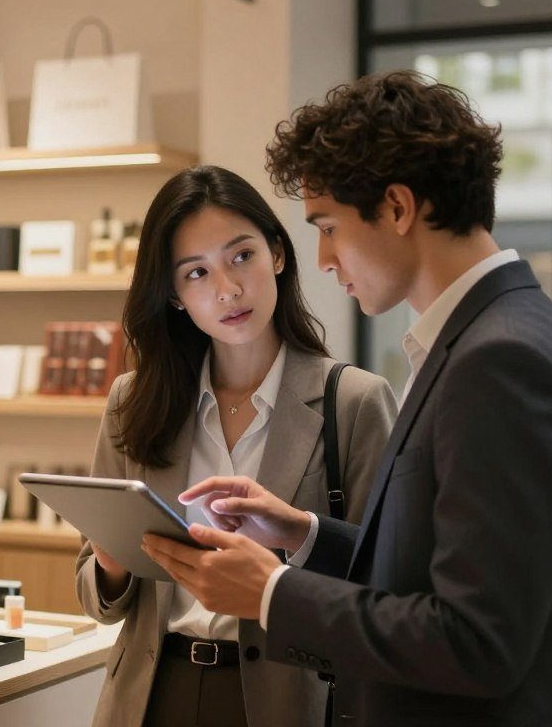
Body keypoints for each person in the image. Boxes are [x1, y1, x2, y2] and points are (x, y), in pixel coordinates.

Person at [141, 72, 552, 725]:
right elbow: (441, 567)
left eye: (329, 226)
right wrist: (304, 534)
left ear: (396, 207)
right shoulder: (502, 332)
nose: (325, 259)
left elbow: (477, 640)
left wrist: (272, 592)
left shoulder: (499, 360)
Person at [75, 165, 397, 727]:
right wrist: (111, 561)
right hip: (151, 694)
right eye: (196, 273)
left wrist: (289, 553)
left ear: (277, 253)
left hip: (288, 699)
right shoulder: (135, 401)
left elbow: (388, 585)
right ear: (174, 296)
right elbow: (96, 596)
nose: (226, 289)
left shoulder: (354, 401)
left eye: (241, 256)